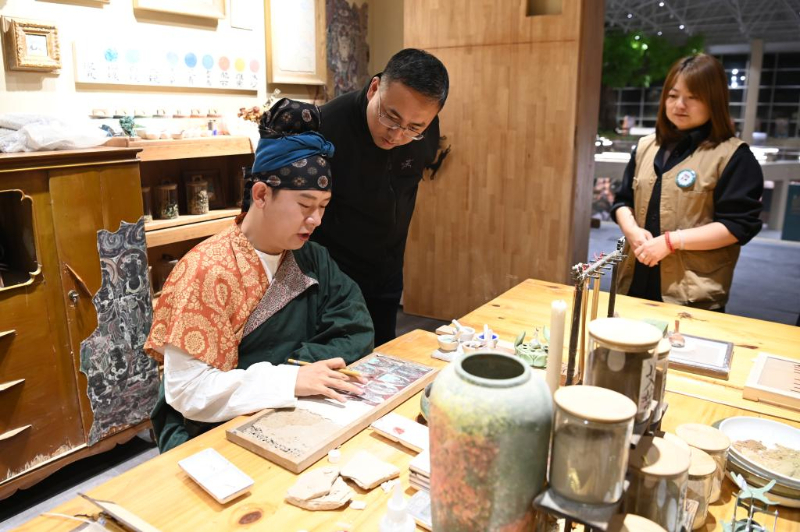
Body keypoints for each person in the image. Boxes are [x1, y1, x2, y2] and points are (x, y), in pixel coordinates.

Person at [144, 99, 374, 453]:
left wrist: (298, 373)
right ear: (262, 194)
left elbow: (356, 330)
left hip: (288, 409)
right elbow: (189, 391)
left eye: (323, 207)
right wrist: (291, 377)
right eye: (305, 205)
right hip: (208, 430)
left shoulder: (313, 259)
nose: (316, 220)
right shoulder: (207, 271)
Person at [312, 48, 449, 346]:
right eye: (390, 117)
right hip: (332, 278)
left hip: (387, 271)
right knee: (339, 358)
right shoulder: (325, 128)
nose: (397, 135)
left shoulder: (424, 130)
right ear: (374, 88)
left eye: (414, 128)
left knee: (384, 353)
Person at [611, 54, 764, 311]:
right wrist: (632, 231)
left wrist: (671, 242)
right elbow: (622, 200)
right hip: (633, 281)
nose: (679, 105)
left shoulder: (734, 156)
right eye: (673, 96)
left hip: (690, 294)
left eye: (693, 97)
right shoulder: (646, 146)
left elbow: (738, 226)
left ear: (714, 100)